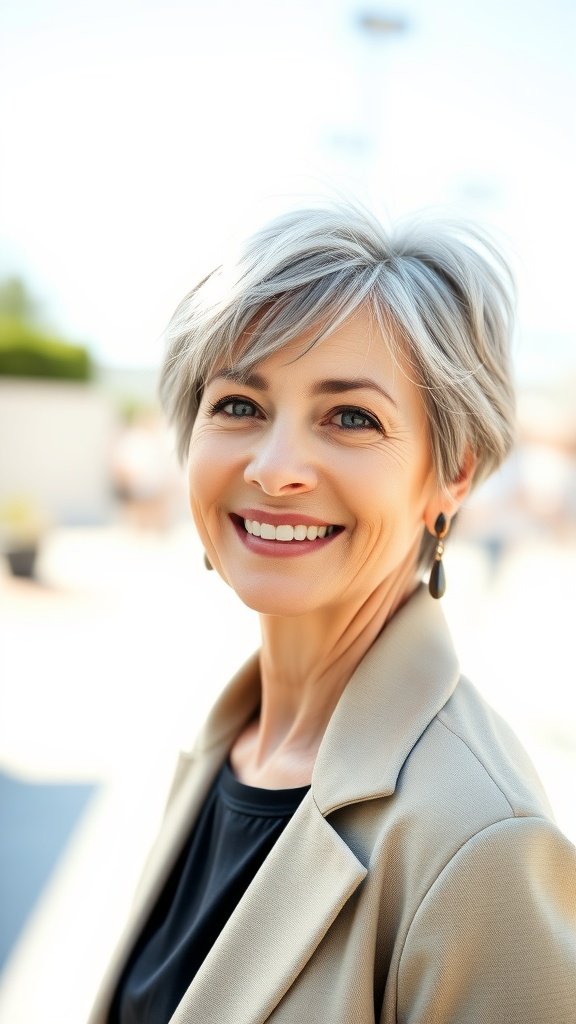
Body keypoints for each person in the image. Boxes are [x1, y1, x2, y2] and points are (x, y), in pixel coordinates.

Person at [88, 204, 576, 1024]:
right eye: (239, 404)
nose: (276, 469)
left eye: (351, 417)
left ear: (451, 474)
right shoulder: (227, 744)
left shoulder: (478, 841)